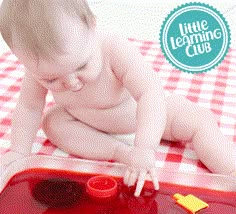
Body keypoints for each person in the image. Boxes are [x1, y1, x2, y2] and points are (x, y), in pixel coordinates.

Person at [0, 0, 235, 197]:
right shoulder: (36, 70)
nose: (71, 83)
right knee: (52, 122)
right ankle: (120, 153)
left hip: (146, 118)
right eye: (51, 80)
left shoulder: (113, 48)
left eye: (82, 66)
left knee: (199, 122)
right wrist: (19, 151)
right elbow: (29, 108)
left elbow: (149, 93)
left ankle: (231, 170)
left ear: (92, 25)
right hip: (89, 125)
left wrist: (145, 147)